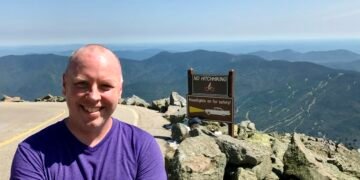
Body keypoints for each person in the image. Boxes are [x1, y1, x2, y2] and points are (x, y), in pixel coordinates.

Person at [11, 44, 167, 179]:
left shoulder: (142, 147)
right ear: (65, 85)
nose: (93, 97)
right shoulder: (31, 154)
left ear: (120, 91)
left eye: (105, 86)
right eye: (82, 84)